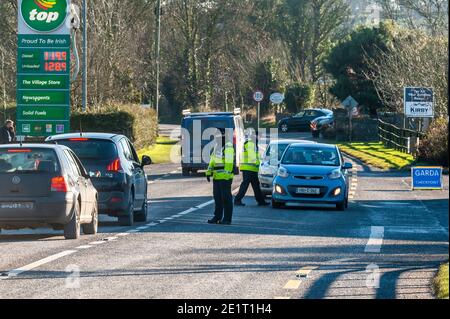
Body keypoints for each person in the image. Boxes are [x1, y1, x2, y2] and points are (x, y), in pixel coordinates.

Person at [206, 128, 235, 225]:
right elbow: (212, 160)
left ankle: (227, 219)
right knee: (217, 198)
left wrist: (226, 176)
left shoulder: (228, 147)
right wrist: (208, 172)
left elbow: (229, 163)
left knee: (226, 199)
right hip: (217, 177)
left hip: (225, 178)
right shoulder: (216, 146)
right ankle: (217, 217)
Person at [234, 129, 269, 207]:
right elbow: (252, 156)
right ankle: (237, 199)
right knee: (245, 185)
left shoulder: (252, 143)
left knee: (256, 185)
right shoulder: (250, 143)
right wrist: (259, 163)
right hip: (248, 168)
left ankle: (261, 201)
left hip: (251, 169)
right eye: (258, 136)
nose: (259, 138)